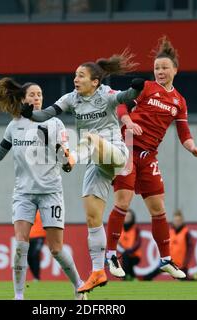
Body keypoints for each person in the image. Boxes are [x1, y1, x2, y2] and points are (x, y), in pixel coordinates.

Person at [20, 49, 145, 293]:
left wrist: (136, 89)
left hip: (116, 152)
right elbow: (47, 113)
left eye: (80, 76)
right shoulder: (71, 98)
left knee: (89, 137)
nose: (75, 79)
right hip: (95, 161)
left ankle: (71, 159)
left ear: (95, 81)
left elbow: (126, 96)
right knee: (92, 216)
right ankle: (98, 271)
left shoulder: (105, 94)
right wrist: (31, 115)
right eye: (75, 75)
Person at [0, 79, 86, 300]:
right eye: (32, 94)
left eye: (40, 94)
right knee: (20, 245)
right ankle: (18, 296)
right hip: (23, 193)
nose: (37, 97)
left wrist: (62, 156)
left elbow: (68, 163)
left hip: (50, 191)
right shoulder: (14, 125)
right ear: (23, 99)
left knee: (56, 249)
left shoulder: (54, 124)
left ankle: (79, 286)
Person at [105, 36, 197, 280]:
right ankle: (110, 254)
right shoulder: (147, 88)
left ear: (175, 71)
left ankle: (166, 259)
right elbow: (122, 106)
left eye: (164, 68)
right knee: (123, 202)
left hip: (149, 155)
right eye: (157, 68)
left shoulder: (179, 101)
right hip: (127, 147)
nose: (160, 72)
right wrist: (127, 120)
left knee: (158, 208)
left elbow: (184, 133)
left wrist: (192, 147)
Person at [143, 209, 196, 281]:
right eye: (176, 220)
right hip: (169, 261)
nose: (177, 222)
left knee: (185, 280)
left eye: (179, 220)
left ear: (182, 221)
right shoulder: (170, 231)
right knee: (150, 275)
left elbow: (190, 249)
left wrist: (186, 262)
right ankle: (144, 279)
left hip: (181, 264)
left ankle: (195, 279)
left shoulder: (186, 233)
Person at [117, 209, 141, 281]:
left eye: (129, 216)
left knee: (127, 258)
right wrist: (123, 250)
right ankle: (131, 277)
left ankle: (125, 276)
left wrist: (130, 250)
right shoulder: (120, 228)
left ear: (132, 218)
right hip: (124, 254)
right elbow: (117, 243)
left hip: (135, 255)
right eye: (126, 216)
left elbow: (138, 242)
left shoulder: (136, 228)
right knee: (125, 257)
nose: (127, 218)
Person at [28, 211, 46, 281]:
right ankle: (35, 276)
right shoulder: (31, 210)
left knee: (35, 255)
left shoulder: (43, 210)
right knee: (29, 257)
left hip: (40, 236)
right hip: (30, 237)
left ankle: (37, 277)